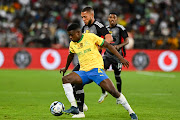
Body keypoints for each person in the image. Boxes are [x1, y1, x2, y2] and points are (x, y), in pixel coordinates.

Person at [60, 23, 138, 120]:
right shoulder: (72, 44)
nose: (70, 37)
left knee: (114, 92)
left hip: (96, 70)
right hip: (83, 72)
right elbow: (71, 56)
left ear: (78, 33)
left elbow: (108, 45)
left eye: (72, 35)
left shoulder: (90, 37)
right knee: (66, 79)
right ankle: (75, 108)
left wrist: (120, 58)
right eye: (69, 35)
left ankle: (131, 112)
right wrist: (66, 68)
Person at [71, 6, 113, 118]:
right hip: (84, 60)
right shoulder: (84, 28)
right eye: (82, 17)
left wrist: (100, 46)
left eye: (85, 17)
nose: (83, 19)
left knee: (77, 81)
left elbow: (109, 38)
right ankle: (82, 105)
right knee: (71, 81)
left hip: (94, 61)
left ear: (92, 15)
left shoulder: (99, 26)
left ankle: (82, 107)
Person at [98, 12, 130, 103]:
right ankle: (104, 92)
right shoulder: (105, 29)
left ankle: (119, 95)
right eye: (110, 17)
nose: (112, 19)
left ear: (117, 19)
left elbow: (127, 41)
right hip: (107, 55)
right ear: (108, 19)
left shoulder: (121, 28)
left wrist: (119, 46)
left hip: (118, 56)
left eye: (114, 17)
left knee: (117, 76)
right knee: (101, 73)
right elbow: (102, 41)